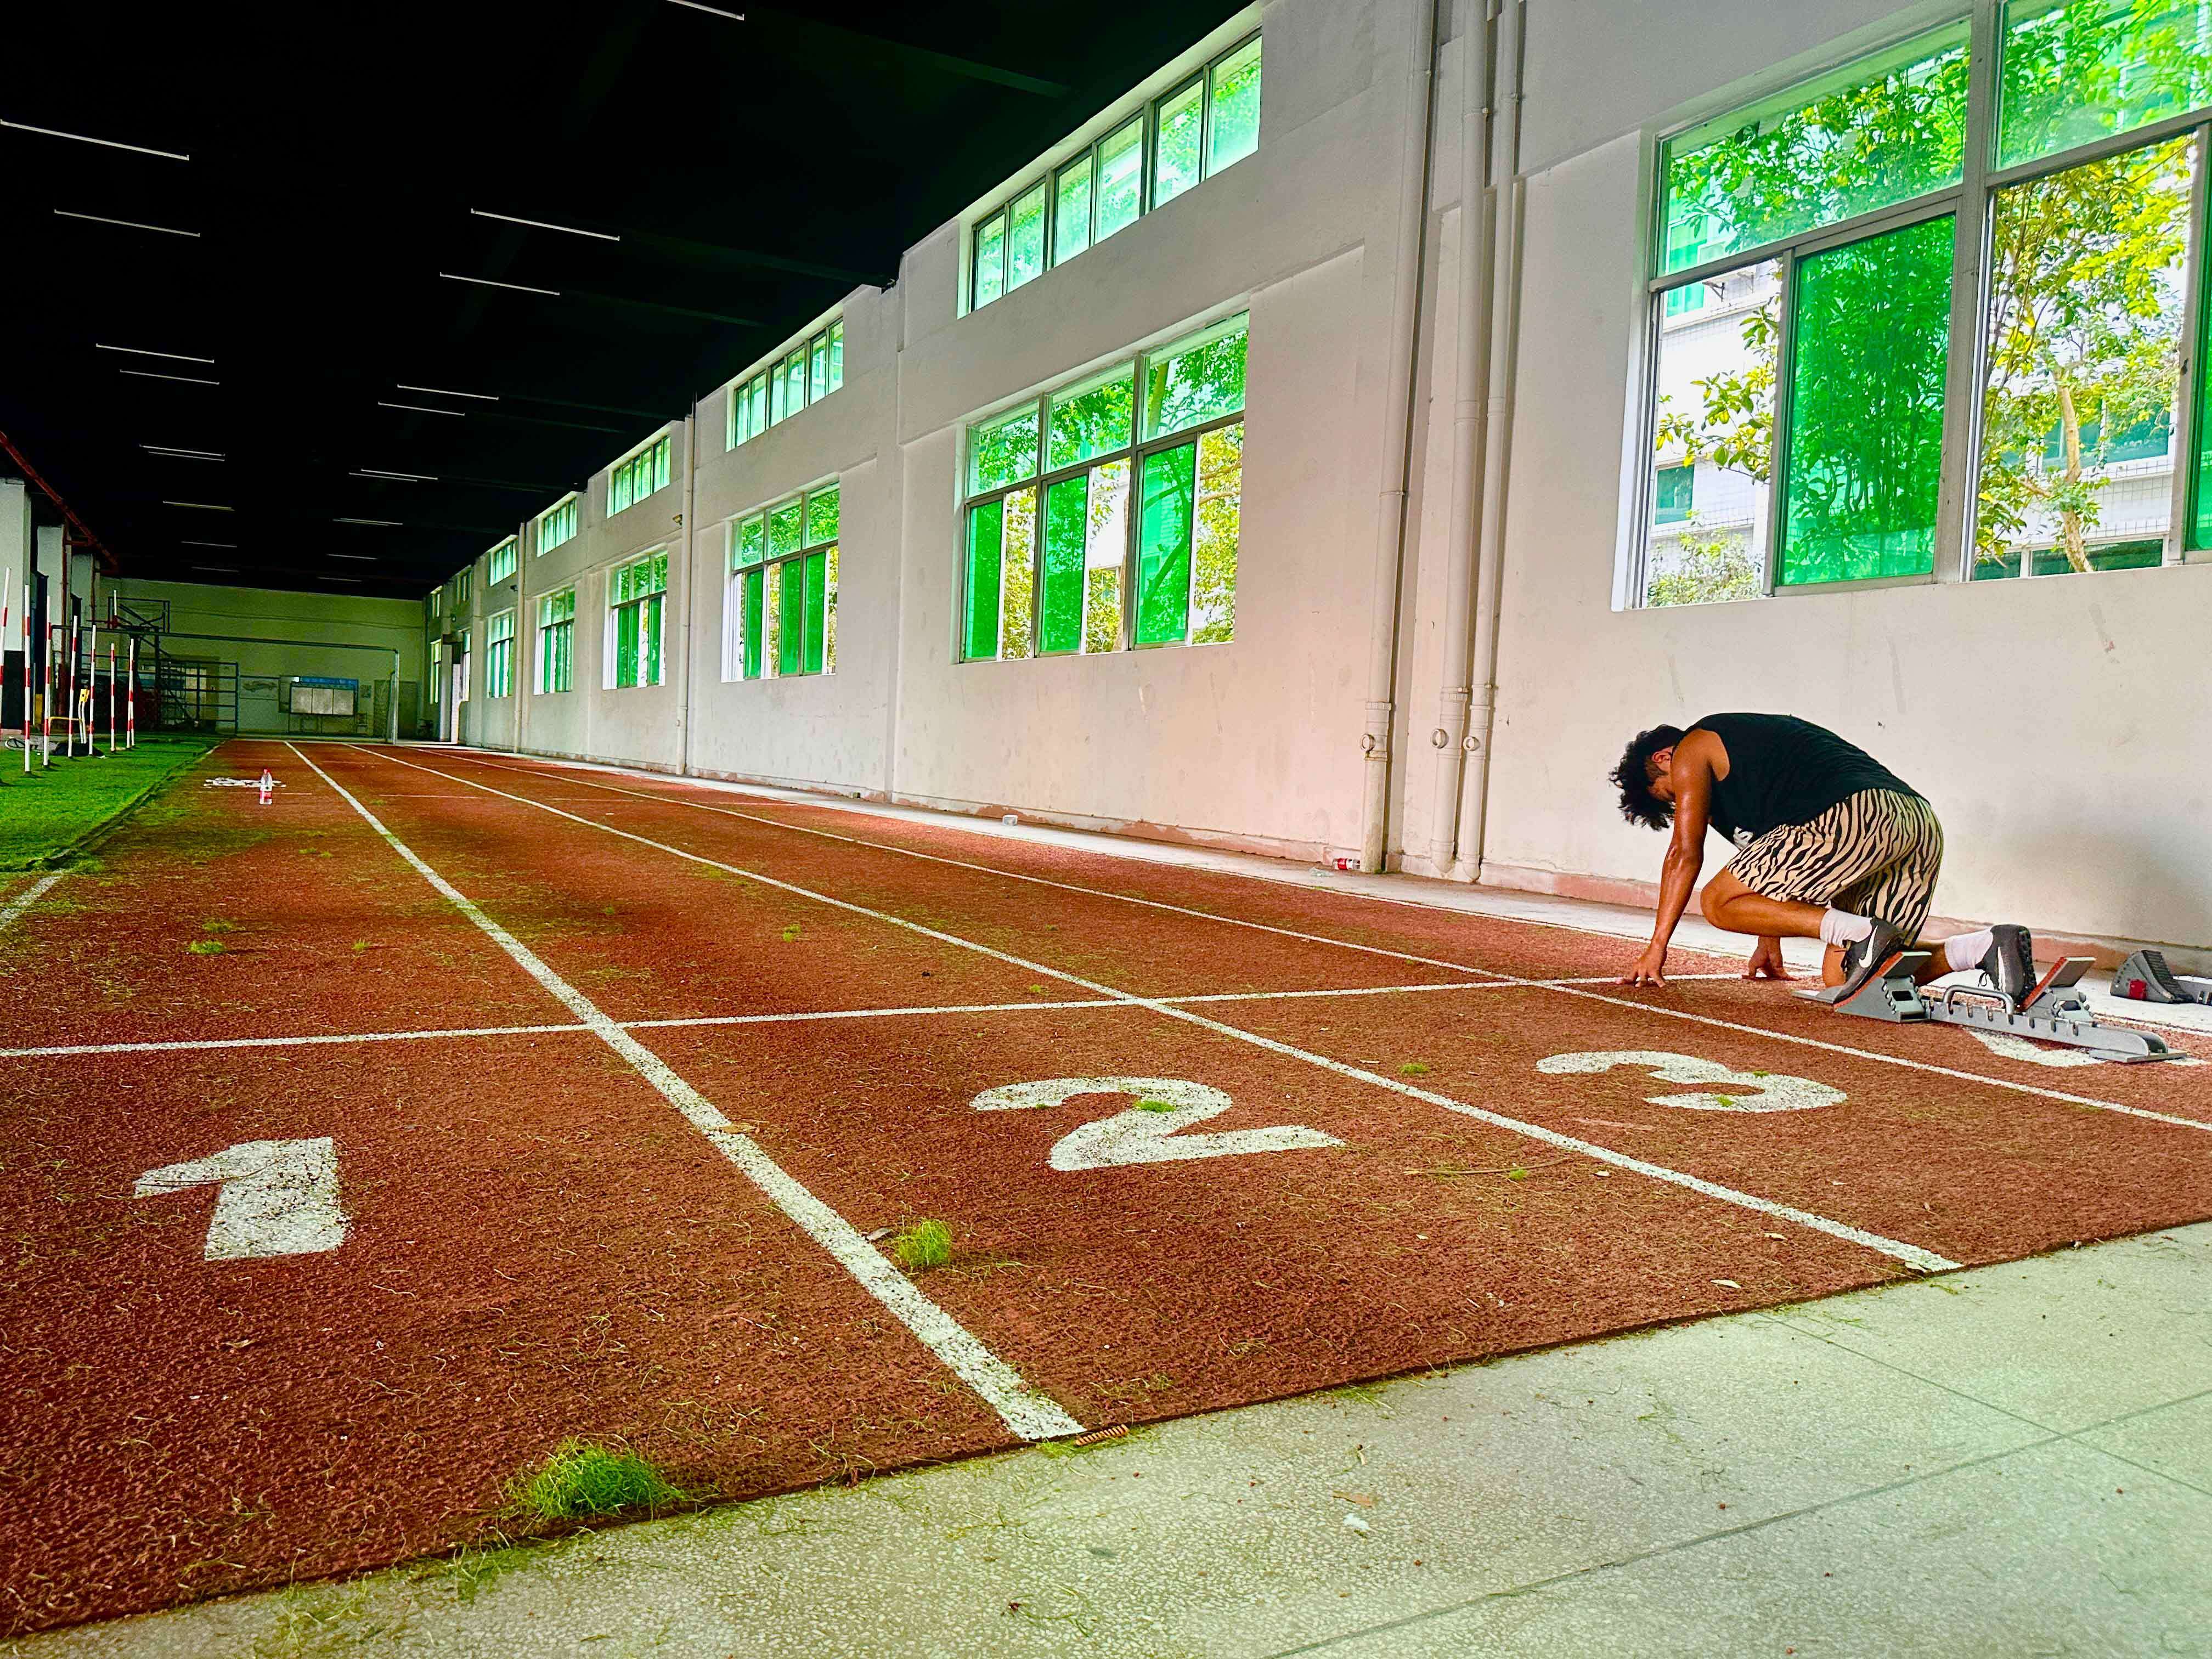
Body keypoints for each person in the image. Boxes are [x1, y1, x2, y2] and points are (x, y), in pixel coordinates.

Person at [1608, 712, 2033, 1000]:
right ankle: (1981, 948)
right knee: (1848, 980)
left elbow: (1684, 853)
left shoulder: (1693, 747)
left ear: (1664, 758)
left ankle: (1860, 933)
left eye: (1673, 794)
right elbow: (1767, 864)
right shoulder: (1742, 774)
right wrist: (1768, 938)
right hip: (1916, 822)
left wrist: (1656, 947)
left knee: (1717, 902)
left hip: (1854, 812)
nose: (1684, 802)